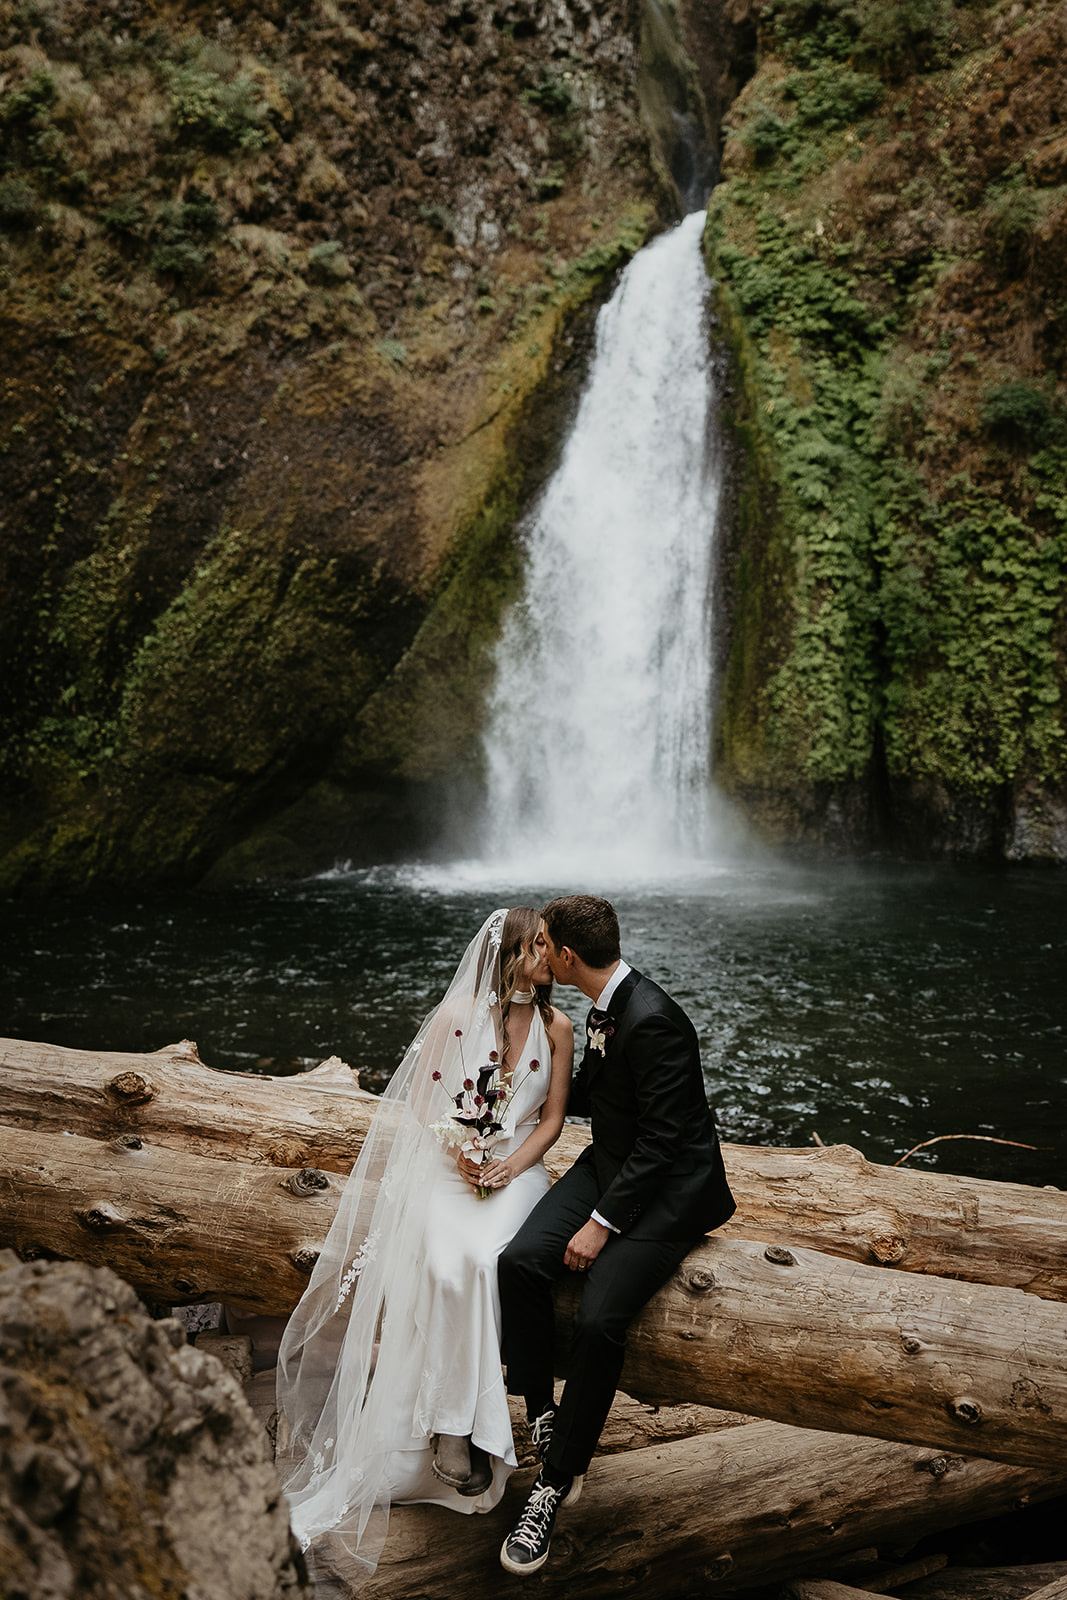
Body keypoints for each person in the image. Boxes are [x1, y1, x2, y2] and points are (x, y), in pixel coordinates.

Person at [275, 907, 573, 1591]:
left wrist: (505, 1164)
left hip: (518, 1173)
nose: (545, 962)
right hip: (447, 1171)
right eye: (535, 950)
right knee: (444, 1262)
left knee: (483, 1261)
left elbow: (553, 1119)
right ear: (506, 955)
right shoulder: (456, 1018)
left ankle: (465, 1429)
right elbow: (419, 1106)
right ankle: (449, 1429)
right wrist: (462, 1151)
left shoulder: (558, 1028)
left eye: (548, 951)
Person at [497, 893, 735, 1576]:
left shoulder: (653, 1020)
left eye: (542, 944)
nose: (537, 953)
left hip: (669, 1192)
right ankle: (542, 1409)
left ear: (567, 957)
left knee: (600, 1314)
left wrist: (601, 1227)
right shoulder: (601, 1008)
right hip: (611, 1162)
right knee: (519, 1260)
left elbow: (663, 1146)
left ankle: (555, 1480)